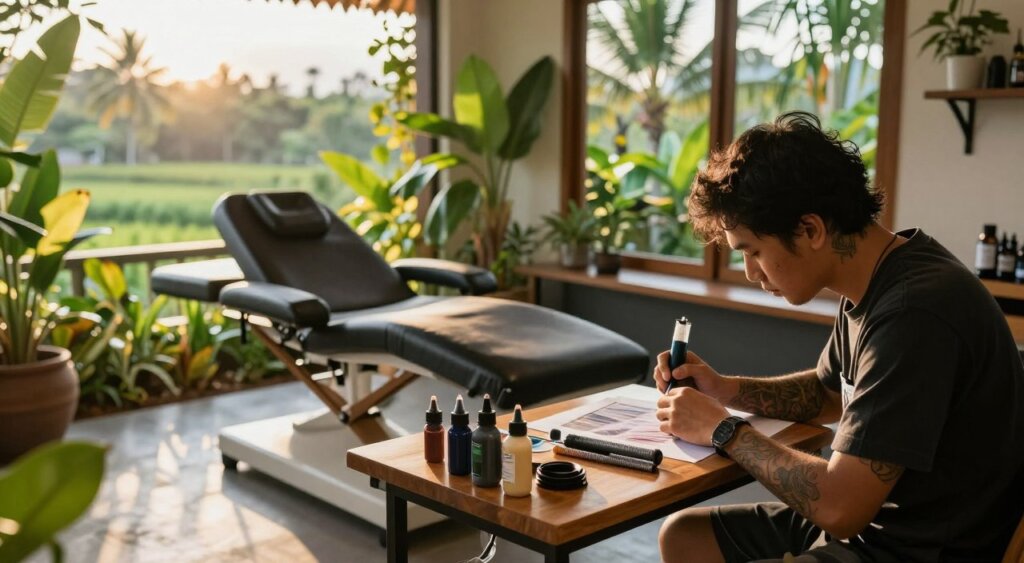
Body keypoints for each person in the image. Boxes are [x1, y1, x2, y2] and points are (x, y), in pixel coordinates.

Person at [654, 111, 1024, 562]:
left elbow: (840, 506)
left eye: (753, 251)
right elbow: (829, 392)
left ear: (810, 229)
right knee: (684, 537)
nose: (750, 272)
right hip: (873, 529)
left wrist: (723, 428)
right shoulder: (876, 279)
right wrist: (725, 389)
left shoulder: (915, 312)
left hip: (916, 548)